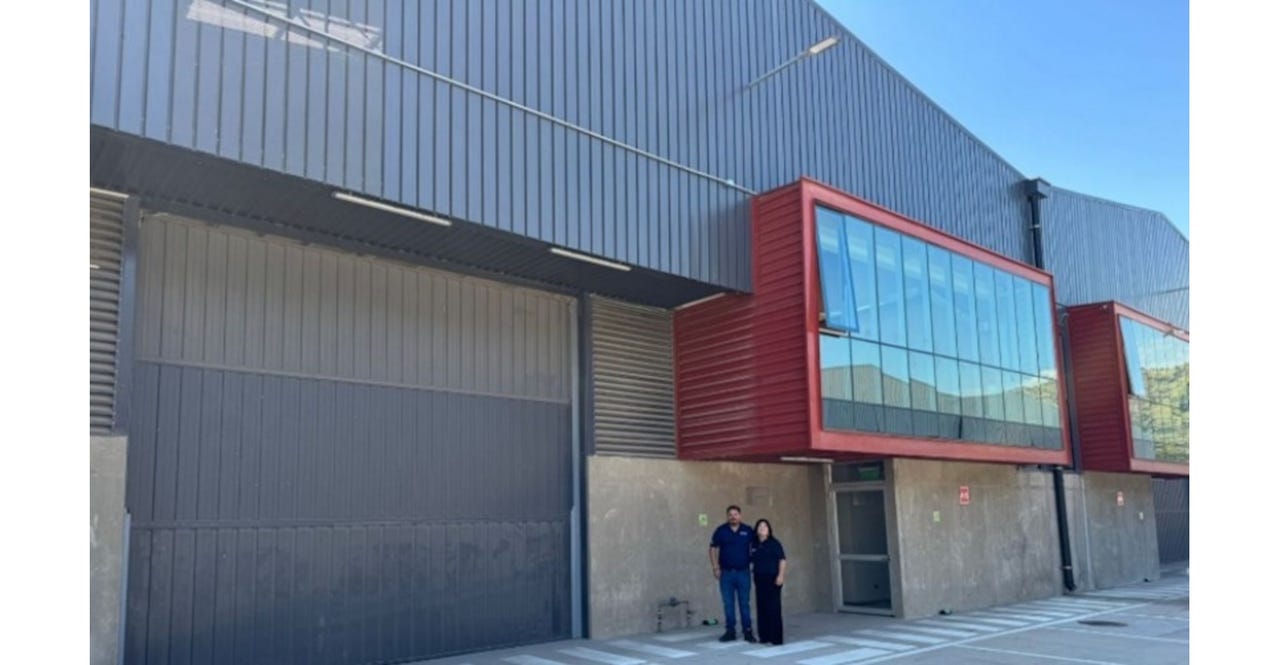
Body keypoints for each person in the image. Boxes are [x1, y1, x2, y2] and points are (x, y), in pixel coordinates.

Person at [708, 505, 756, 642]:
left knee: (744, 603)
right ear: (727, 516)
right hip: (726, 574)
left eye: (735, 514)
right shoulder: (721, 531)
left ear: (740, 516)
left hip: (743, 573)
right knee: (728, 604)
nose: (733, 516)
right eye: (730, 514)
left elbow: (756, 546)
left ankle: (748, 631)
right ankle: (730, 631)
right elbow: (712, 549)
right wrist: (715, 567)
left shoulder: (748, 531)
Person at [750, 518, 787, 646]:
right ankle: (764, 637)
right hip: (759, 579)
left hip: (773, 579)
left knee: (774, 608)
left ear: (769, 530)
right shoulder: (754, 544)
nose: (762, 528)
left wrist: (781, 576)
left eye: (765, 526)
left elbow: (782, 560)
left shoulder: (774, 543)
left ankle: (776, 638)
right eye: (760, 526)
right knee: (762, 608)